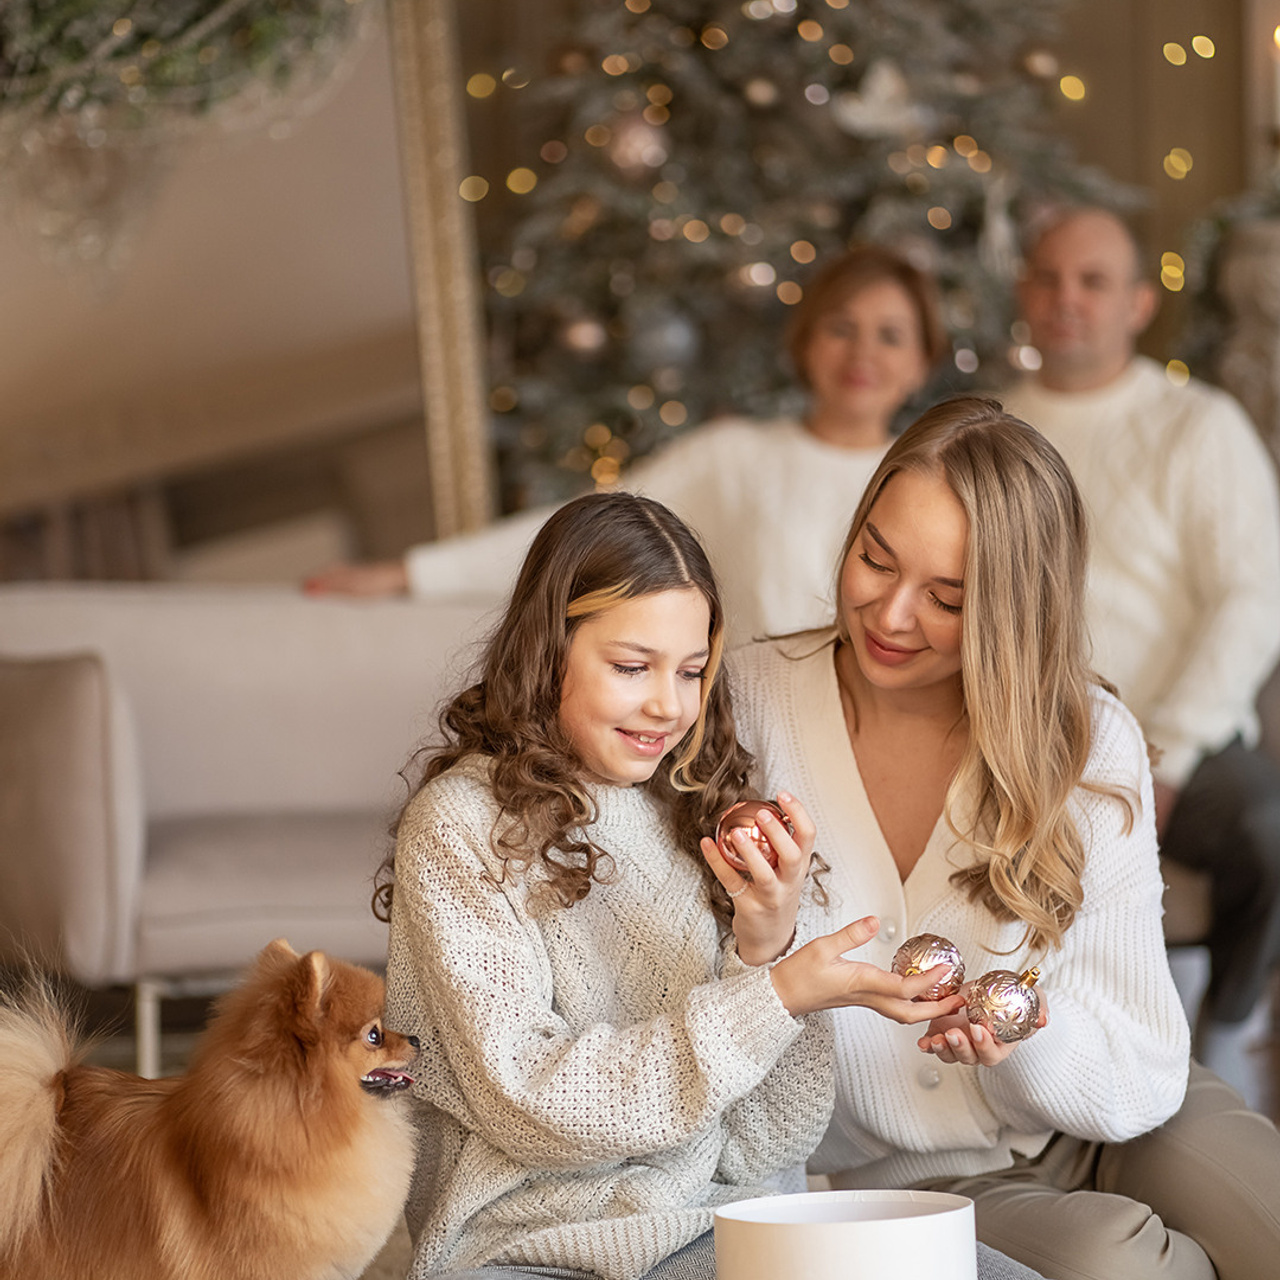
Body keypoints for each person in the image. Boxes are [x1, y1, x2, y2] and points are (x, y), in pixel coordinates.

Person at [377, 490, 1042, 1280]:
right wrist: (777, 995)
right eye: (631, 667)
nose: (669, 706)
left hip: (738, 1228)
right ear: (545, 650)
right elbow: (531, 1108)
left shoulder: (699, 806)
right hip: (542, 1246)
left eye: (692, 671)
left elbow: (770, 1144)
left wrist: (765, 946)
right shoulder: (459, 827)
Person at [732, 395, 1280, 1280]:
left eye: (947, 598)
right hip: (920, 1178)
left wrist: (1030, 1042)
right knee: (1119, 1266)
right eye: (875, 558)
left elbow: (1140, 1054)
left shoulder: (1087, 735)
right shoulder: (745, 708)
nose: (891, 614)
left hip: (1120, 1115)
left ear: (1013, 609)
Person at [305, 244, 947, 642]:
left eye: (890, 335)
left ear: (921, 361)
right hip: (752, 758)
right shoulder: (734, 459)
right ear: (806, 342)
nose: (863, 353)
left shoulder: (930, 486)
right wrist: (409, 574)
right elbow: (587, 532)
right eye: (842, 327)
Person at [999, 205, 1280, 1087]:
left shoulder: (1198, 426)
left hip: (1183, 747)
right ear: (1024, 294)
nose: (1066, 299)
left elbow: (1253, 596)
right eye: (1048, 278)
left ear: (1136, 304)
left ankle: (1227, 1029)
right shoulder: (990, 432)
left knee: (1274, 833)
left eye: (1092, 281)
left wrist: (1165, 753)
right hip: (1022, 740)